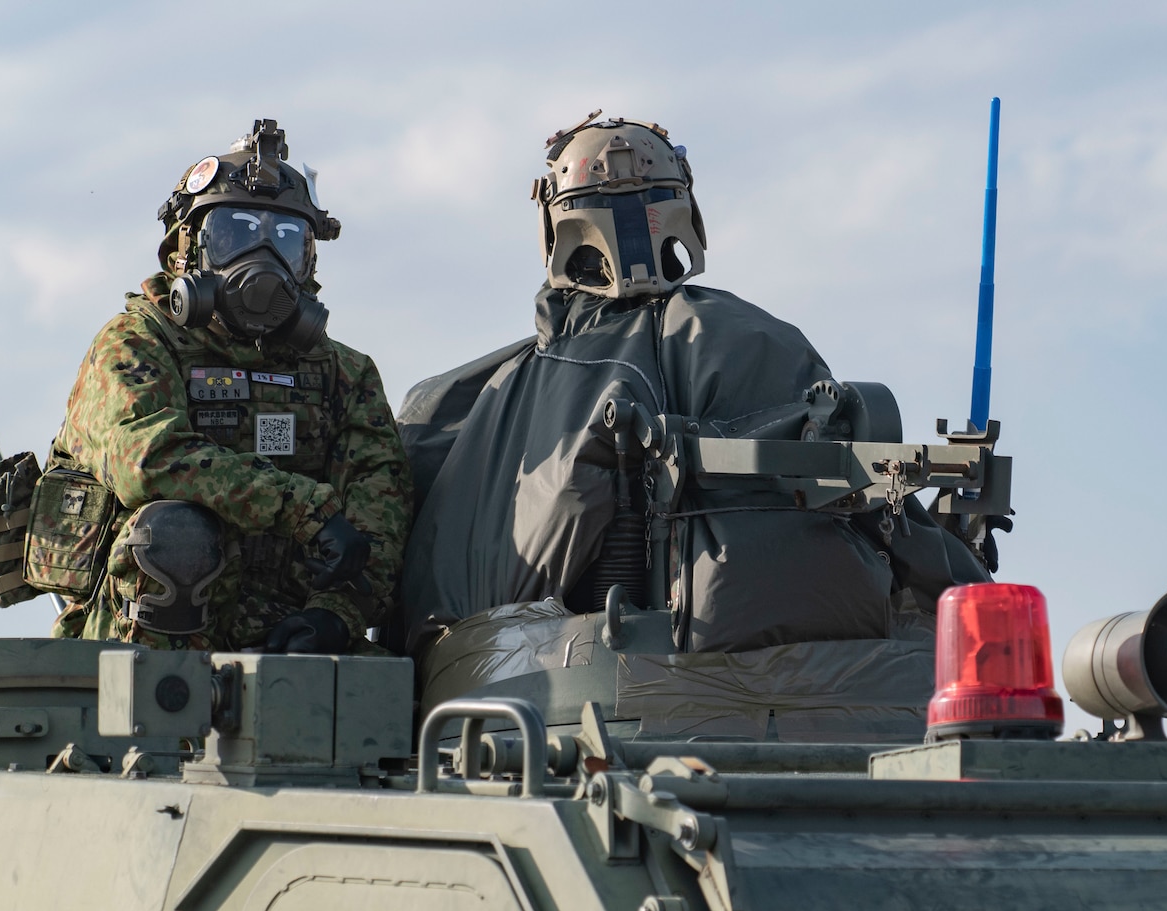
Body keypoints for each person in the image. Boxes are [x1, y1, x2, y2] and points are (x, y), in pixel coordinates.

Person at [397, 114, 988, 655]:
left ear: (557, 225)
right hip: (829, 679)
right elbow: (888, 518)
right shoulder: (761, 338)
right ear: (683, 206)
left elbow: (449, 602)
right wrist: (965, 575)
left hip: (577, 693)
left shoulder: (482, 398)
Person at [30, 119, 409, 653]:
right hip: (141, 649)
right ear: (186, 250)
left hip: (288, 641)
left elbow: (380, 508)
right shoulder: (135, 344)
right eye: (235, 233)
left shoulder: (345, 374)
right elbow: (148, 460)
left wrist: (338, 613)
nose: (264, 258)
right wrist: (303, 509)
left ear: (309, 261)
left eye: (285, 239)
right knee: (174, 532)